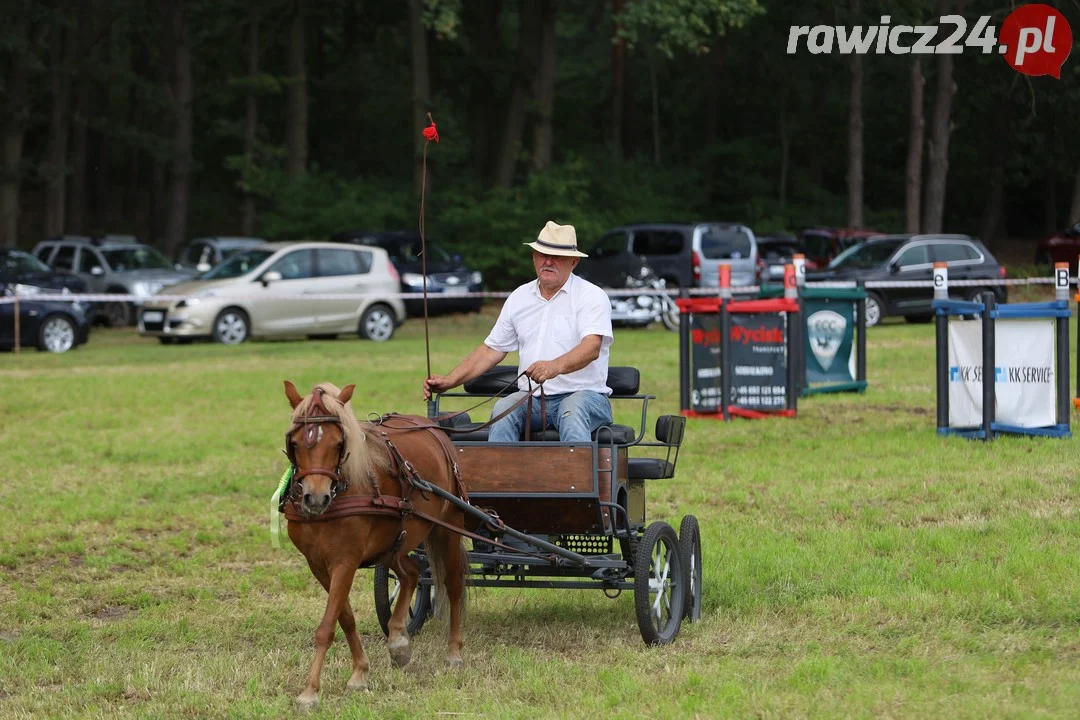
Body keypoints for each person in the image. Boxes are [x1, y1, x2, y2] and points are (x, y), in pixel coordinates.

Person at [424, 220, 614, 443]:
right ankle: (501, 478)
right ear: (534, 258)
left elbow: (591, 347)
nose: (548, 261)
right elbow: (490, 350)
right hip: (532, 399)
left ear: (574, 262)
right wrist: (449, 380)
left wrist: (555, 366)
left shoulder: (591, 296)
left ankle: (577, 478)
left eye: (557, 257)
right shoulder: (519, 298)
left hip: (586, 397)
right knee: (503, 410)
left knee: (572, 412)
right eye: (542, 254)